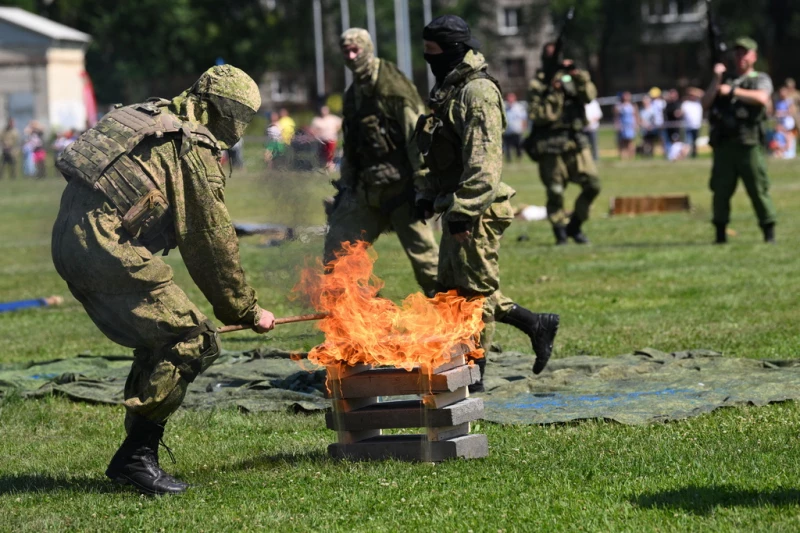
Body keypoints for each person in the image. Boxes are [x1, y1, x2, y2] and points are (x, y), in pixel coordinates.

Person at [51, 65, 276, 495]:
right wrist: (245, 310)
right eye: (240, 119)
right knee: (192, 337)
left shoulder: (145, 116)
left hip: (70, 238)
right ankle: (136, 459)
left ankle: (134, 456)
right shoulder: (190, 145)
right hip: (104, 245)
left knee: (162, 337)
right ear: (225, 113)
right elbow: (210, 242)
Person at [416, 15, 559, 389]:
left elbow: (484, 164)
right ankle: (535, 324)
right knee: (454, 290)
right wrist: (427, 196)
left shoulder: (477, 94)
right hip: (456, 205)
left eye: (433, 53)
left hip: (477, 210)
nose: (428, 60)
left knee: (473, 297)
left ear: (454, 50)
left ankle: (474, 376)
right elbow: (441, 155)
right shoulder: (448, 90)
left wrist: (463, 213)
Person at [324, 28, 439, 296]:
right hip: (367, 191)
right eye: (346, 51)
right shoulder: (353, 95)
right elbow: (351, 146)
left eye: (356, 50)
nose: (351, 56)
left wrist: (424, 186)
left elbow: (416, 136)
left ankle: (454, 324)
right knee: (337, 253)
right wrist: (345, 189)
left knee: (427, 264)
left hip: (404, 190)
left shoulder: (393, 86)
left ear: (368, 49)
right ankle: (370, 318)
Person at [701, 37, 777, 244]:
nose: (740, 57)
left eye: (745, 52)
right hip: (725, 145)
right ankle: (720, 232)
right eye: (737, 52)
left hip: (749, 144)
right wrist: (717, 79)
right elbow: (705, 103)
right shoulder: (724, 78)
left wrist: (733, 91)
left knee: (758, 189)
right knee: (720, 191)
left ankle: (768, 231)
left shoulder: (759, 78)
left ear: (754, 56)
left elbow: (762, 98)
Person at [526, 42, 601, 245]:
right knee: (555, 191)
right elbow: (538, 116)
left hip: (575, 140)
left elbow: (589, 96)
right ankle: (560, 232)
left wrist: (577, 75)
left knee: (593, 184)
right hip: (550, 144)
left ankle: (575, 225)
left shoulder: (571, 78)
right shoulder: (538, 84)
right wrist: (552, 95)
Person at [310, 105, 342, 171]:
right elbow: (313, 129)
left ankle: (330, 166)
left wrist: (336, 129)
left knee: (330, 153)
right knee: (322, 153)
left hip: (331, 138)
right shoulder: (317, 120)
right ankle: (322, 166)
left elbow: (340, 123)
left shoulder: (333, 118)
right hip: (321, 139)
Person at [502, 93, 527, 163]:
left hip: (517, 131)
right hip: (507, 132)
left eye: (511, 98)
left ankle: (519, 159)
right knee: (507, 148)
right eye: (509, 98)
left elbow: (523, 118)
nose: (510, 100)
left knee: (518, 146)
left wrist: (523, 128)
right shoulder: (504, 107)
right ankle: (508, 160)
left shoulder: (519, 107)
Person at [614, 91, 638, 160]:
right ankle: (623, 157)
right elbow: (617, 116)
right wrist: (617, 125)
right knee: (622, 142)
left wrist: (636, 124)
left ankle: (631, 156)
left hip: (630, 125)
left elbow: (635, 115)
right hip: (622, 126)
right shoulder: (619, 105)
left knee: (630, 142)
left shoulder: (632, 105)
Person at [681, 88, 704, 158]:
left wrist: (694, 91)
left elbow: (703, 94)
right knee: (688, 142)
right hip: (688, 126)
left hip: (697, 126)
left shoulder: (699, 102)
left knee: (695, 142)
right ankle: (684, 156)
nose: (692, 96)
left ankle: (694, 155)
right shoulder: (686, 103)